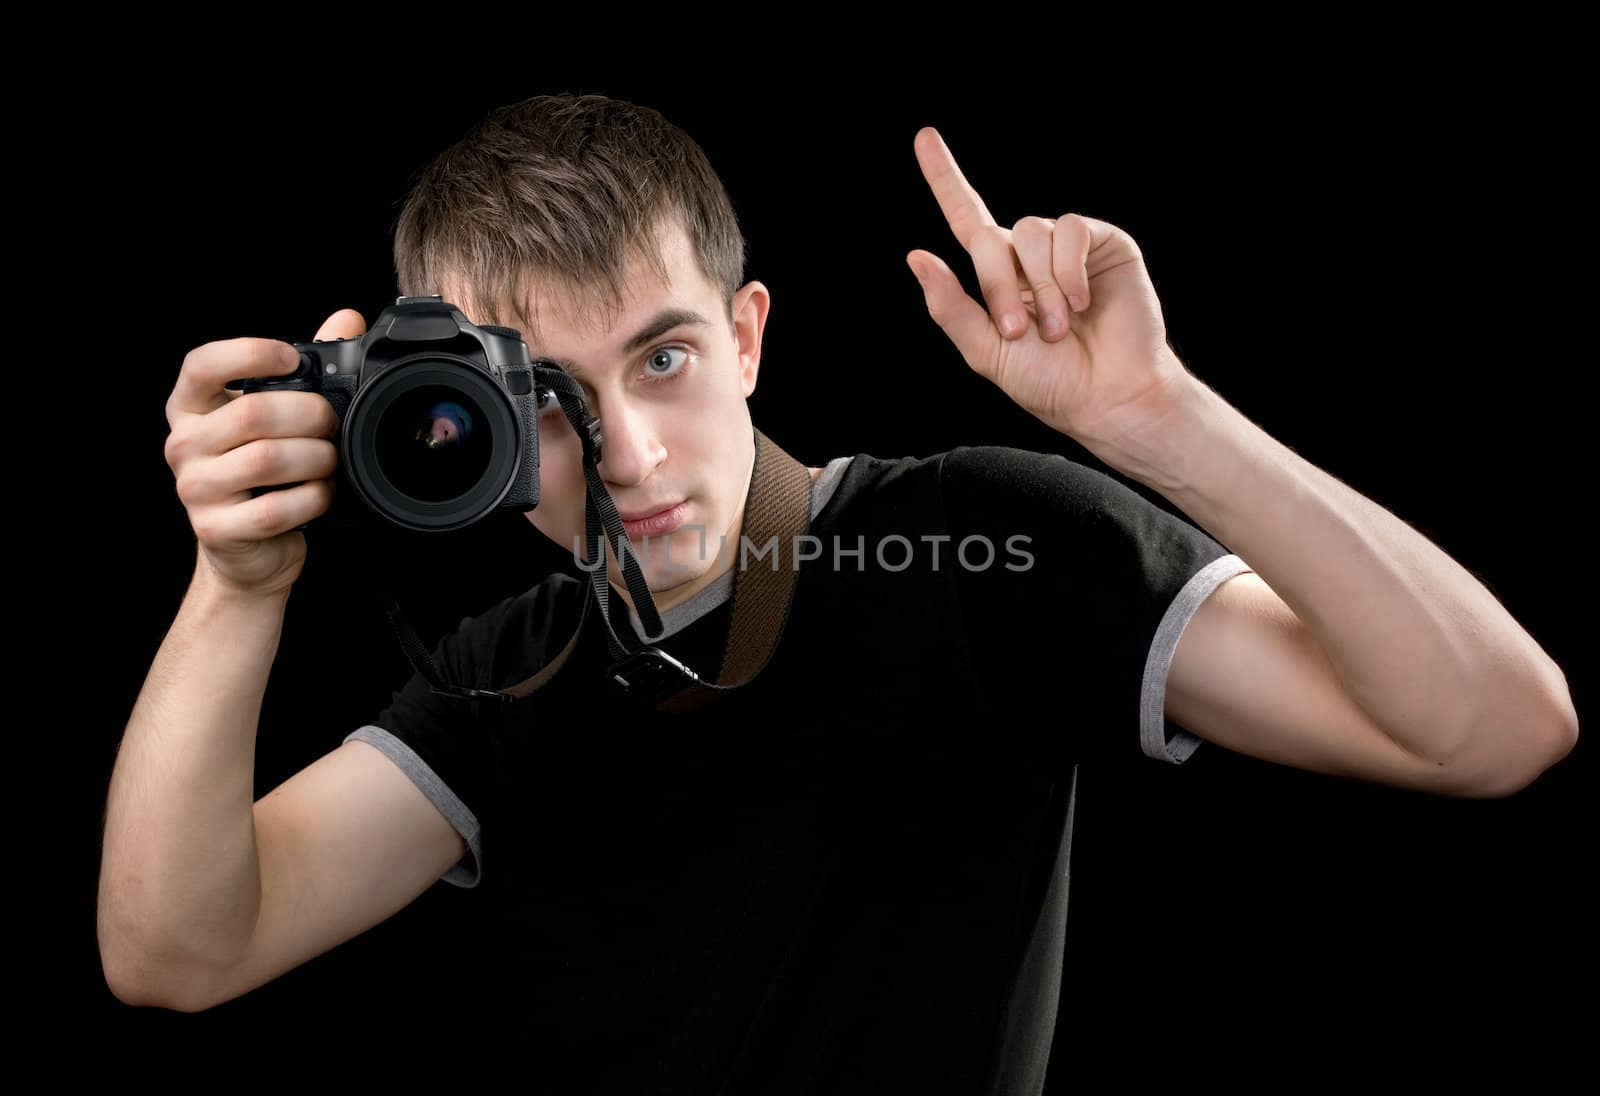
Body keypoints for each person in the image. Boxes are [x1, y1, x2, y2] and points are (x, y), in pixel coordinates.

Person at [98, 94, 1578, 1091]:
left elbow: (1494, 729)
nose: (628, 453)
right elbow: (178, 950)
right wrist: (239, 582)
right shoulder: (507, 676)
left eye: (664, 358)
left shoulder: (980, 546)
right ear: (449, 416)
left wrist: (1159, 423)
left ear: (748, 337)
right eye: (547, 398)